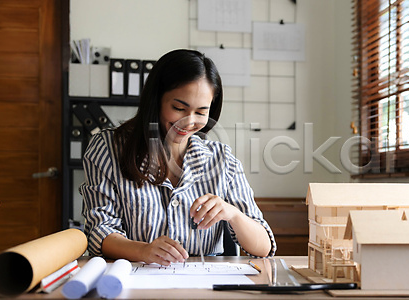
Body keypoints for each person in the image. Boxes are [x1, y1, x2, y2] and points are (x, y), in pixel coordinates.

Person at [80, 49, 276, 265]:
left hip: (203, 285)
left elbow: (263, 247)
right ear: (156, 100)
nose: (189, 121)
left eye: (201, 112)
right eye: (179, 108)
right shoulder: (107, 149)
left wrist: (233, 214)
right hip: (137, 280)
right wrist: (143, 251)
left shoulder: (221, 159)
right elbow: (99, 231)